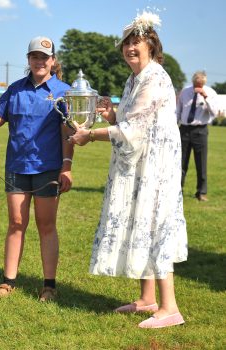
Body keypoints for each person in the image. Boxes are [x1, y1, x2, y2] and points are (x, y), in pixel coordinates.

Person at [68, 12, 188, 328]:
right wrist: (109, 114)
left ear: (151, 46)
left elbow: (135, 127)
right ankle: (148, 299)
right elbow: (125, 121)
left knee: (154, 225)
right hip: (140, 165)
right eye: (126, 44)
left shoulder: (156, 77)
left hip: (156, 167)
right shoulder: (134, 79)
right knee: (140, 221)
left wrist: (89, 134)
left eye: (136, 43)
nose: (130, 49)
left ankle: (170, 308)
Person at [0, 36, 73, 301]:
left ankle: (49, 285)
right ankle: (8, 281)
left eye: (45, 57)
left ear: (52, 61)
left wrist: (67, 166)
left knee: (46, 225)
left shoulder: (64, 91)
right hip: (17, 167)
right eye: (35, 56)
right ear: (28, 60)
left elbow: (68, 133)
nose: (40, 61)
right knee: (16, 223)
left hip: (48, 168)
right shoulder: (15, 90)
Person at [177, 71, 219, 202]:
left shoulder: (211, 93)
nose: (198, 87)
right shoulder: (185, 91)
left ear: (204, 83)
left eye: (200, 84)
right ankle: (178, 190)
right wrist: (174, 125)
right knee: (181, 162)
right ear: (193, 81)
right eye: (196, 84)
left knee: (201, 163)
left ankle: (201, 192)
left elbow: (215, 113)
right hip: (184, 130)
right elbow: (179, 110)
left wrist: (205, 97)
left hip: (200, 131)